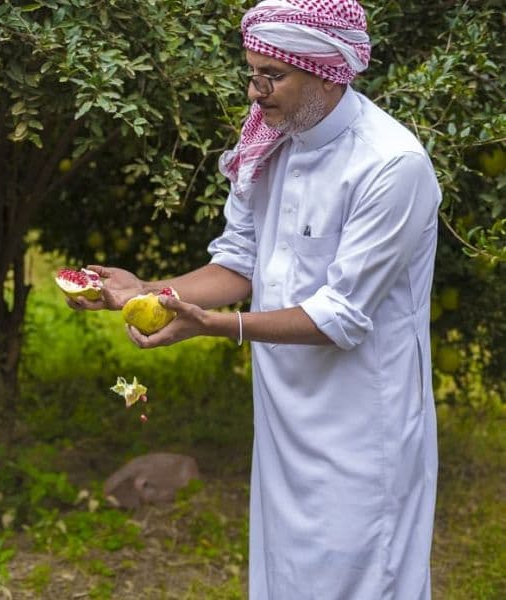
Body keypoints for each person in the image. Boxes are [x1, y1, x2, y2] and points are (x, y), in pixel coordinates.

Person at [68, 0, 441, 597]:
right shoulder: (270, 145)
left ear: (325, 70)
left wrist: (216, 327)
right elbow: (238, 262)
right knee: (286, 577)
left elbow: (340, 315)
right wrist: (145, 292)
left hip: (363, 421)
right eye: (251, 72)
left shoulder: (391, 166)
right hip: (284, 413)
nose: (254, 93)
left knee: (362, 577)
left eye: (272, 76)